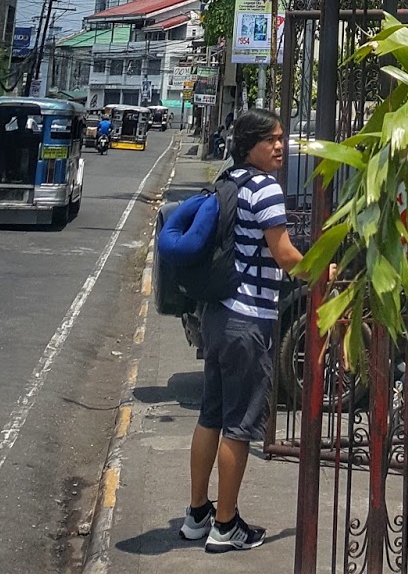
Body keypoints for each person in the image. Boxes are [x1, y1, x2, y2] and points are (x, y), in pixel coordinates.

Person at [181, 109, 305, 552]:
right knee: (239, 425)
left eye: (281, 138)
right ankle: (226, 524)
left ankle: (198, 514)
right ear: (250, 144)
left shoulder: (229, 179)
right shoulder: (267, 188)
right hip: (249, 319)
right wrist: (323, 272)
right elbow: (285, 254)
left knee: (211, 415)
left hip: (217, 314)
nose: (279, 147)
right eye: (271, 139)